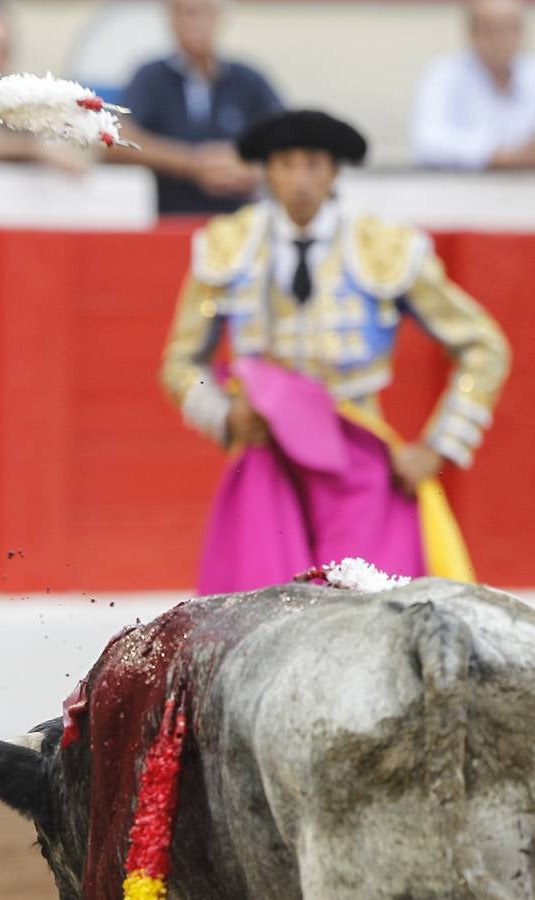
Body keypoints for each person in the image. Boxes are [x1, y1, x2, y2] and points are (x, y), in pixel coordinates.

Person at [159, 109, 510, 594]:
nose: (300, 178)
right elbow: (182, 363)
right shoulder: (228, 245)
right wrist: (222, 412)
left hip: (357, 455)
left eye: (313, 164)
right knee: (254, 622)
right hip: (266, 453)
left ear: (335, 171)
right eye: (286, 163)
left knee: (363, 618)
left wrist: (439, 445)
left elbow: (484, 346)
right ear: (267, 170)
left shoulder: (382, 247)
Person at [108, 0, 283, 215]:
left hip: (240, 220)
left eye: (204, 12)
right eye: (185, 13)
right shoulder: (149, 78)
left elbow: (286, 139)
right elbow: (117, 139)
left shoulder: (248, 80)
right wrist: (192, 163)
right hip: (168, 218)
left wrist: (249, 168)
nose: (194, 21)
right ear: (171, 19)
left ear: (219, 17)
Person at [412, 0, 535, 169]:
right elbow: (426, 144)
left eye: (511, 28)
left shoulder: (531, 73)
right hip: (460, 189)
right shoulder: (445, 74)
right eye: (492, 29)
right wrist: (496, 156)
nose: (502, 39)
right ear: (472, 32)